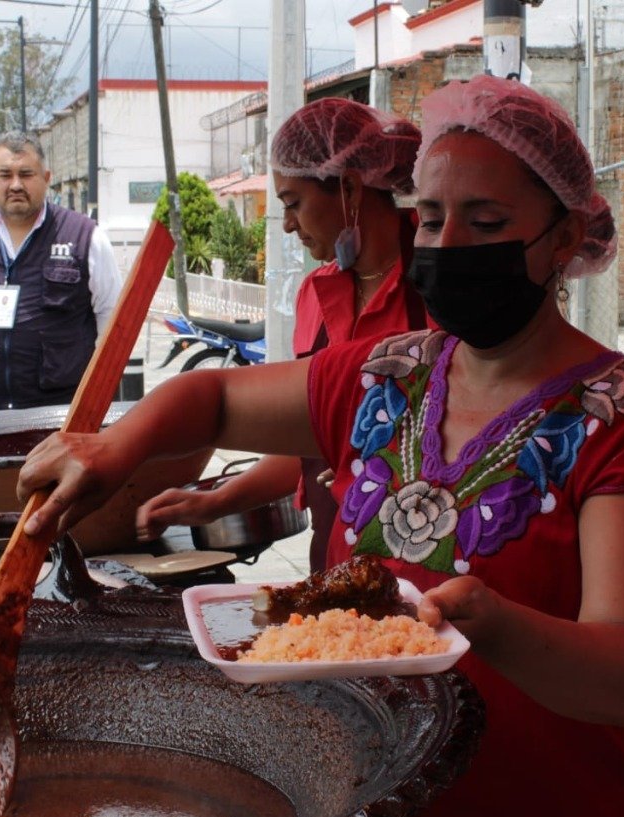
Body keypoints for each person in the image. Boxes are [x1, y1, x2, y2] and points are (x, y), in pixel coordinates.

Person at [16, 75, 624, 817]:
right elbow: (213, 397)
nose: (448, 244)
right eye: (430, 218)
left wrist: (497, 625)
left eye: (485, 220)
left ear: (564, 236)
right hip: (367, 814)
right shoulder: (385, 374)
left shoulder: (623, 414)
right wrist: (113, 446)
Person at [136, 98, 427, 572]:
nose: (288, 224)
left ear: (349, 189)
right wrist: (216, 502)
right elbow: (308, 438)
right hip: (334, 547)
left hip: (419, 553)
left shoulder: (439, 282)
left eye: (294, 203)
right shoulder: (317, 292)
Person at [0, 131, 123, 415]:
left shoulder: (85, 236)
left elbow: (112, 319)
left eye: (26, 174)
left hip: (60, 413)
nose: (16, 184)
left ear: (46, 178)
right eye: (5, 175)